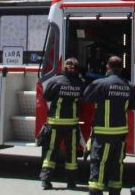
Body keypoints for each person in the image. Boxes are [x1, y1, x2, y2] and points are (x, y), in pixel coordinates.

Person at [83, 56, 135, 195]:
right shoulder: (129, 86)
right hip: (120, 135)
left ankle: (96, 191)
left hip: (103, 134)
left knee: (99, 163)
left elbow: (86, 97)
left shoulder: (99, 84)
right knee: (117, 165)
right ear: (121, 68)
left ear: (108, 67)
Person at [40, 57, 85, 190]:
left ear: (64, 67)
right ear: (77, 69)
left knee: (51, 151)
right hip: (72, 125)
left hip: (55, 123)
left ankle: (45, 181)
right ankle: (71, 182)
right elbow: (84, 97)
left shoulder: (55, 81)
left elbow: (46, 96)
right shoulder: (80, 83)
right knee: (71, 154)